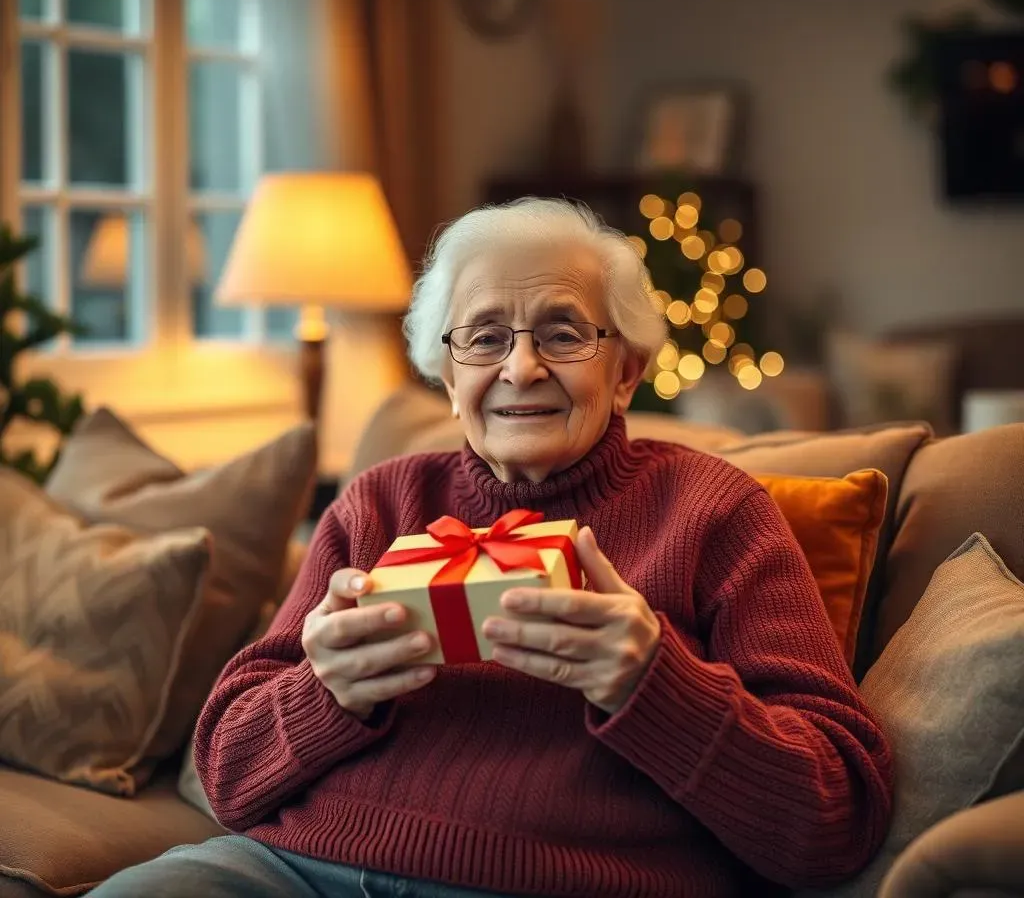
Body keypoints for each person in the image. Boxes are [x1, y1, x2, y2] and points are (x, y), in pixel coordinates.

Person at [92, 198, 893, 898]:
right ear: (446, 375)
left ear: (626, 372)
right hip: (296, 871)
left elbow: (835, 819)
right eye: (483, 338)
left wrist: (656, 686)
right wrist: (323, 691)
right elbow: (228, 776)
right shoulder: (381, 502)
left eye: (563, 333)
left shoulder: (716, 513)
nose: (520, 366)